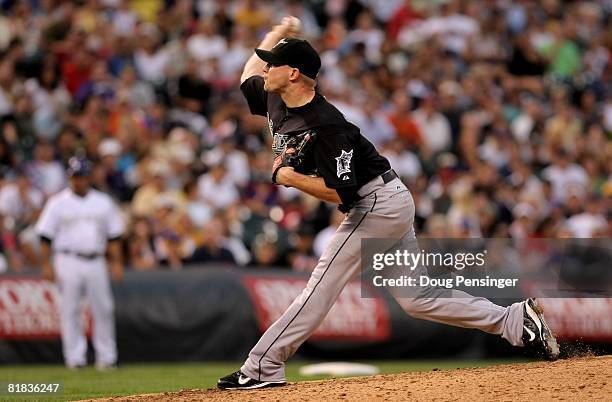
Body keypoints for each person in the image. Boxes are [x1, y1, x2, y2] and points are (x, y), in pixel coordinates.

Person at [217, 17, 559, 390]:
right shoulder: (273, 94)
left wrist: (289, 178)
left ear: (294, 74)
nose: (265, 68)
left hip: (375, 204)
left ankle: (262, 366)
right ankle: (515, 320)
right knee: (418, 298)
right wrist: (278, 35)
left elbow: (340, 194)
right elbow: (247, 72)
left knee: (320, 286)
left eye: (274, 62)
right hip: (387, 199)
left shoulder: (329, 126)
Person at [35, 157, 125, 370]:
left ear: (89, 177)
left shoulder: (102, 202)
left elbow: (114, 236)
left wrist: (117, 262)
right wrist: (46, 265)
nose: (79, 181)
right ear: (69, 177)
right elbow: (45, 236)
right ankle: (75, 359)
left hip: (96, 260)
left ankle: (107, 358)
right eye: (75, 176)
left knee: (103, 309)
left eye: (82, 176)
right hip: (68, 259)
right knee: (70, 310)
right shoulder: (57, 202)